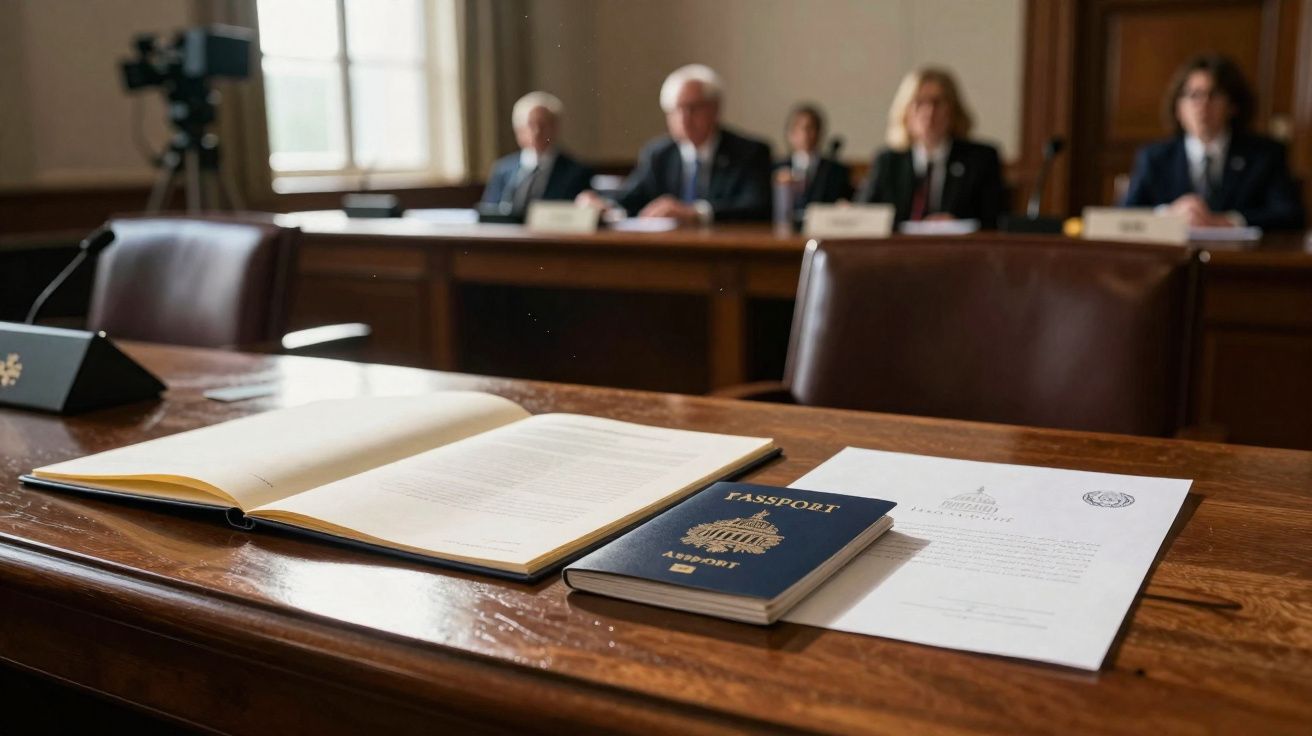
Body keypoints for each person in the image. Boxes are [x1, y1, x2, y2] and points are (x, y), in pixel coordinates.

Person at [1122, 54, 1304, 230]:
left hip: (1239, 259)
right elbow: (1123, 216)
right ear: (1178, 108)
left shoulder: (1265, 155)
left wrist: (1227, 221)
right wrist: (1168, 214)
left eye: (1214, 95)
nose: (1203, 105)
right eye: (1194, 95)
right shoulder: (1155, 157)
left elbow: (1290, 215)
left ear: (1233, 106)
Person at [577, 64, 772, 224]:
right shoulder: (659, 153)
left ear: (715, 109)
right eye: (676, 110)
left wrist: (695, 213)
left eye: (693, 108)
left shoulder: (750, 152)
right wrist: (600, 202)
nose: (684, 118)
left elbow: (756, 205)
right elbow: (632, 197)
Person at [855, 67, 1005, 228]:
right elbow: (866, 217)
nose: (929, 112)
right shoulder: (887, 161)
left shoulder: (980, 160)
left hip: (959, 250)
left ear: (953, 110)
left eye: (937, 102)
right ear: (905, 111)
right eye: (919, 103)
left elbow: (996, 221)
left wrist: (954, 224)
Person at [481, 91, 593, 216]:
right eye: (530, 124)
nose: (536, 132)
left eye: (543, 125)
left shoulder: (576, 172)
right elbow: (489, 213)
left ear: (555, 128)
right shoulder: (502, 169)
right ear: (518, 130)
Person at [776, 103, 853, 211]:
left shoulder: (836, 170)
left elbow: (846, 202)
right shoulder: (776, 169)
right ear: (790, 134)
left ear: (820, 133)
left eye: (810, 128)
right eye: (799, 128)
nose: (805, 134)